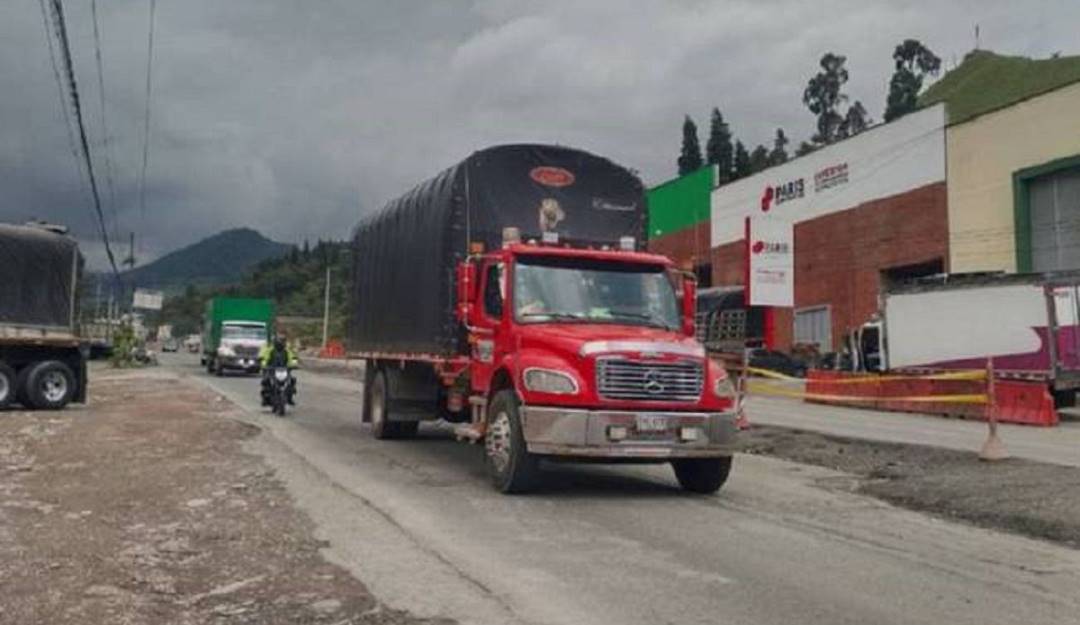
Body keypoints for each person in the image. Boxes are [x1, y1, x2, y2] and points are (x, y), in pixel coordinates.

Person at [260, 333, 298, 406]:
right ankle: (265, 398)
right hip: (272, 370)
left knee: (292, 380)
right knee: (265, 381)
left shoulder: (287, 351)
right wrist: (264, 365)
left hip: (284, 370)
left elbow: (292, 358)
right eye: (280, 341)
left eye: (283, 341)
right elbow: (264, 358)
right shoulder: (270, 350)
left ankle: (290, 397)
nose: (282, 343)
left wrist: (294, 364)